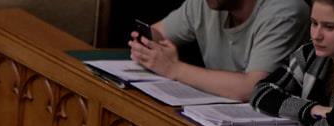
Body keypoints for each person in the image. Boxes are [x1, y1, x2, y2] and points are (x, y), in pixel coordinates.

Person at [129, 0, 309, 101]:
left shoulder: (285, 10)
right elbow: (158, 33)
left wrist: (173, 68)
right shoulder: (206, 3)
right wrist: (147, 45)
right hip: (215, 114)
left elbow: (252, 88)